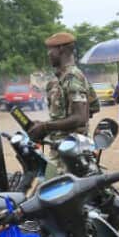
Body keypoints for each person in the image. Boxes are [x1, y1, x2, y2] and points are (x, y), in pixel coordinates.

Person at [27, 32, 92, 169]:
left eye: (51, 49)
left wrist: (45, 127)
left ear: (61, 49)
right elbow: (93, 106)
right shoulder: (60, 78)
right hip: (60, 150)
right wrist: (47, 125)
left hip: (70, 154)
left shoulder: (72, 77)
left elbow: (81, 117)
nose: (48, 54)